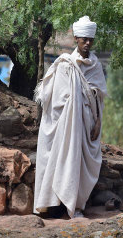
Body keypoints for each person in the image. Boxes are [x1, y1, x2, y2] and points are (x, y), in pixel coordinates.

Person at [33, 16, 107, 218]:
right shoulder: (65, 64)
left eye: (90, 39)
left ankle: (76, 206)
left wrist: (97, 122)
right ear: (76, 38)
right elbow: (58, 101)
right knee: (64, 161)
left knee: (82, 167)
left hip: (87, 123)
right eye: (84, 39)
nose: (88, 43)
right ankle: (56, 206)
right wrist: (72, 116)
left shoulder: (96, 66)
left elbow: (99, 98)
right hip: (66, 124)